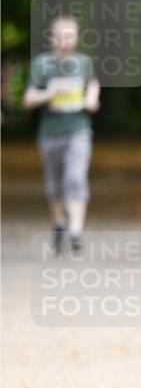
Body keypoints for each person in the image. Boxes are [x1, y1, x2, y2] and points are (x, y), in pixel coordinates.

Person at [23, 17, 100, 253]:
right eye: (61, 35)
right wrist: (50, 93)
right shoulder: (41, 65)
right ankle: (59, 223)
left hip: (78, 130)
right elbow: (28, 99)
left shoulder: (84, 63)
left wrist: (92, 99)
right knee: (55, 183)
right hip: (50, 133)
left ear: (76, 38)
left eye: (70, 35)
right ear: (52, 38)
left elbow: (93, 84)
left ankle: (76, 230)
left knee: (75, 177)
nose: (66, 40)